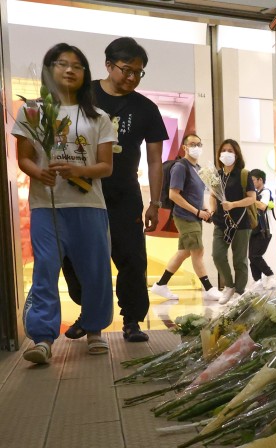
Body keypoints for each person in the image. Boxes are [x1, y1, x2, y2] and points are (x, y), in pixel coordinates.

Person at [13, 43, 116, 364]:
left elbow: (106, 166)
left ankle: (96, 330)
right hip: (47, 206)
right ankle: (43, 339)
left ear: (85, 74)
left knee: (96, 270)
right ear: (49, 70)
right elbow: (24, 158)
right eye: (61, 63)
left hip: (90, 207)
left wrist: (78, 170)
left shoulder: (98, 117)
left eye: (77, 65)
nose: (69, 69)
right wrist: (39, 173)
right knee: (45, 269)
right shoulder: (33, 111)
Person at [63, 37, 168, 343]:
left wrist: (155, 203)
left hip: (124, 194)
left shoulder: (146, 108)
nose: (132, 77)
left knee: (132, 258)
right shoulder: (83, 95)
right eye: (126, 70)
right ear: (108, 65)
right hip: (82, 190)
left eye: (139, 72)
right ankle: (89, 313)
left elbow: (155, 160)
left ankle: (132, 320)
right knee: (77, 255)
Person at [148, 133, 220, 303]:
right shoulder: (181, 167)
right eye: (192, 144)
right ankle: (209, 289)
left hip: (194, 216)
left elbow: (197, 195)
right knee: (198, 251)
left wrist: (204, 210)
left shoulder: (198, 168)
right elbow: (174, 195)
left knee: (185, 252)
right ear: (185, 147)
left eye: (199, 144)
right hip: (185, 216)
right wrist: (196, 212)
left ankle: (161, 284)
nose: (196, 147)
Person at [209, 139, 256, 304]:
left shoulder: (244, 174)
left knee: (240, 259)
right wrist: (213, 210)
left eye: (230, 150)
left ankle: (240, 291)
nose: (226, 153)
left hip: (241, 223)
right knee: (218, 255)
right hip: (221, 223)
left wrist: (233, 204)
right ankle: (229, 285)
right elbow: (213, 195)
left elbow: (252, 198)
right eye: (224, 150)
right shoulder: (217, 175)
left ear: (236, 154)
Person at [247, 168, 276, 291]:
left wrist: (249, 199)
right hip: (254, 229)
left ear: (260, 180)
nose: (251, 182)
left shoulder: (266, 192)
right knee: (251, 256)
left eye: (253, 180)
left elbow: (263, 206)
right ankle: (257, 281)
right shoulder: (255, 193)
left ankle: (270, 276)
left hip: (265, 230)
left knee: (256, 255)